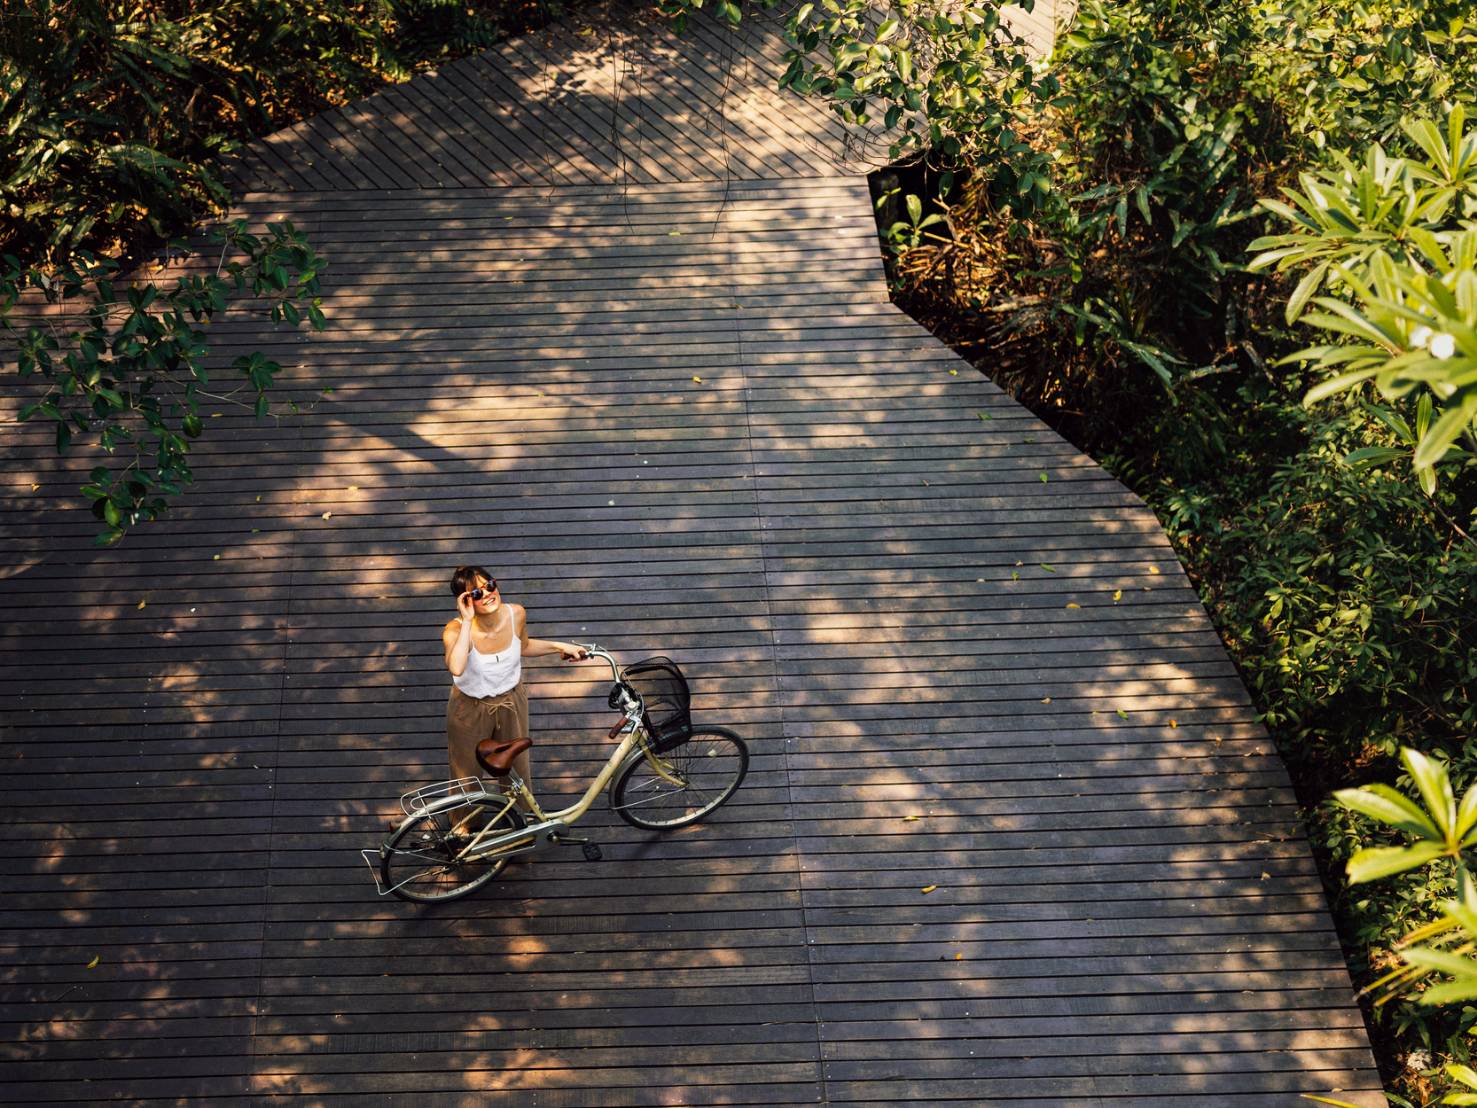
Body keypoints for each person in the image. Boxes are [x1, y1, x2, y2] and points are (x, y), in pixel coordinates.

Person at [442, 565, 588, 799]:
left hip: (512, 701)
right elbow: (456, 666)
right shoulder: (455, 630)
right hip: (469, 707)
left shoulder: (516, 613)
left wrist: (559, 646)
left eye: (490, 585)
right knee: (466, 771)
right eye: (477, 593)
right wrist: (467, 621)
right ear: (466, 601)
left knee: (517, 768)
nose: (488, 594)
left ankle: (521, 819)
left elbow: (524, 646)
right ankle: (463, 823)